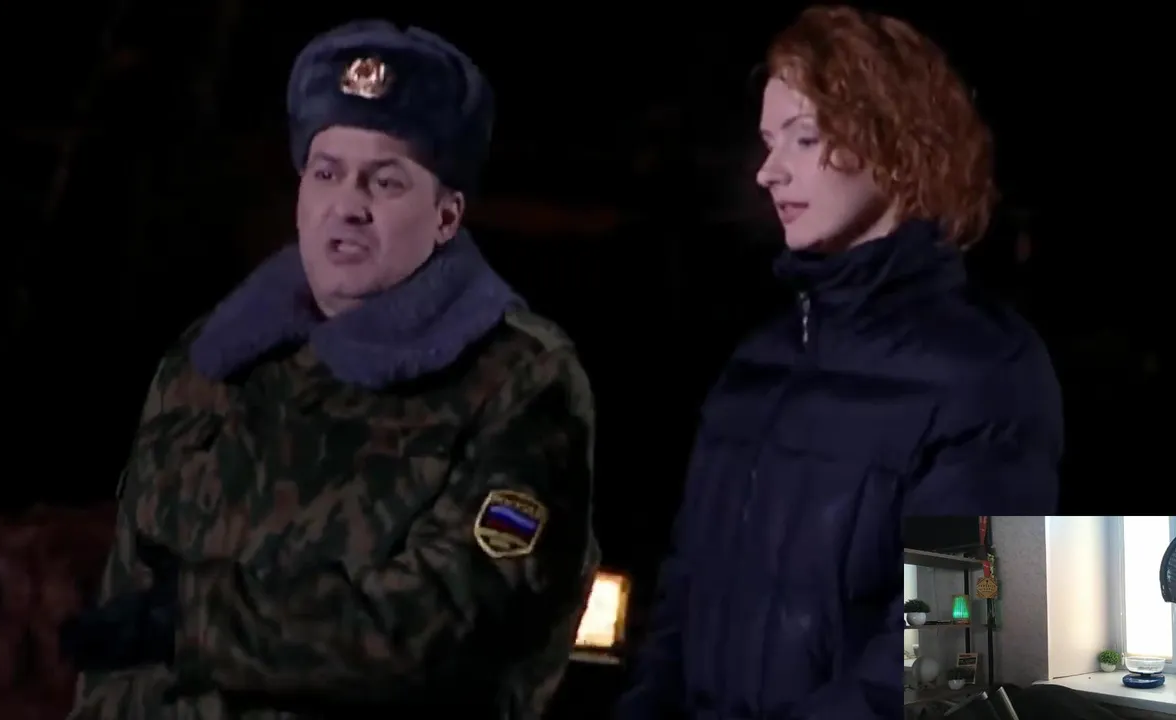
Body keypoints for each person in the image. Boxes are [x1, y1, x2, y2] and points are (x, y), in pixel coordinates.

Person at [60, 19, 600, 720]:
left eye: (386, 181)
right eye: (326, 173)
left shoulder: (516, 382)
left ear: (446, 216)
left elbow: (449, 621)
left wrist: (197, 620)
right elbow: (123, 611)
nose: (347, 206)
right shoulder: (212, 359)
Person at [615, 6, 1061, 720]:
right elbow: (680, 604)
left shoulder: (991, 370)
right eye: (769, 142)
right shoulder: (756, 363)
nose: (768, 171)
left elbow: (958, 662)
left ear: (898, 144)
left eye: (806, 137)